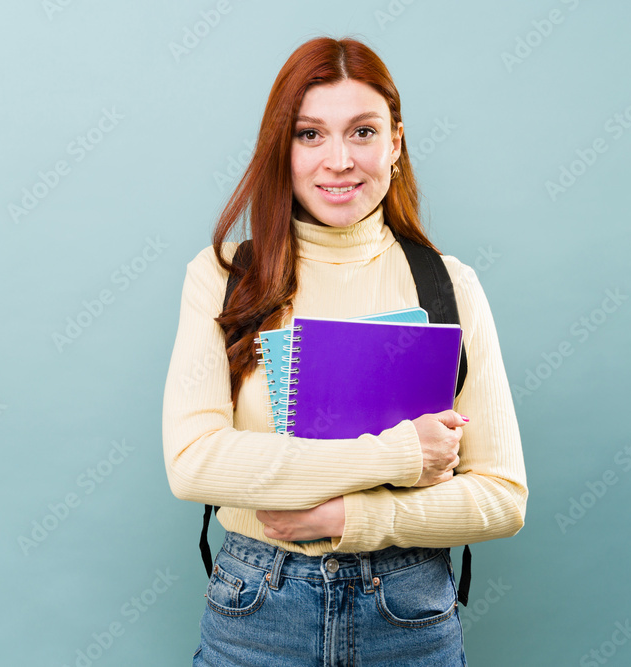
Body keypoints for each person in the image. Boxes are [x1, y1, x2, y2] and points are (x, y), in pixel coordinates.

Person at [162, 35, 527, 666]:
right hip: (258, 611)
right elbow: (194, 464)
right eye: (310, 134)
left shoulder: (450, 285)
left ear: (396, 142)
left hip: (407, 613)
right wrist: (402, 453)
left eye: (362, 132)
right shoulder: (222, 276)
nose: (339, 160)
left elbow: (502, 496)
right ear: (283, 147)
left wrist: (348, 518)